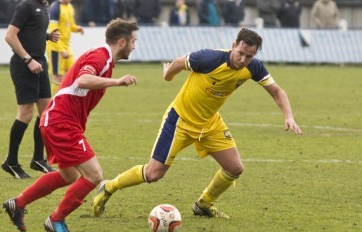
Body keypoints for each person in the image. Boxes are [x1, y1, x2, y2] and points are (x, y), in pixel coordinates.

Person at [91, 28, 303, 219]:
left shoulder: (253, 67)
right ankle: (109, 186)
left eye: (249, 56)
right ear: (233, 46)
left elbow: (277, 91)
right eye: (240, 53)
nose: (243, 59)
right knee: (154, 173)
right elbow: (177, 63)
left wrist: (289, 116)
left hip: (210, 124)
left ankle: (203, 204)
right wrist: (168, 76)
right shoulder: (209, 58)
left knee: (235, 168)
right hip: (180, 120)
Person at [2, 18, 139, 232]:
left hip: (59, 120)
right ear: (122, 42)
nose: (135, 46)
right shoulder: (100, 56)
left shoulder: (105, 59)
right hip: (60, 122)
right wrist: (117, 82)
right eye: (133, 41)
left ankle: (18, 203)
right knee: (94, 175)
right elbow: (83, 80)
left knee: (68, 176)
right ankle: (56, 220)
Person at [2, 0, 60, 179]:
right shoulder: (26, 5)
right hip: (24, 65)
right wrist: (28, 60)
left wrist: (47, 36)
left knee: (45, 113)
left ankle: (38, 159)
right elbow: (10, 36)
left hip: (40, 63)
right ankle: (11, 162)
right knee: (25, 114)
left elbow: (31, 31)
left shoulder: (45, 6)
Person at [46, 0, 84, 95]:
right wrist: (61, 50)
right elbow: (53, 32)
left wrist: (77, 28)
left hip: (66, 48)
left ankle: (69, 99)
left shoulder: (70, 7)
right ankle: (53, 102)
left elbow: (70, 25)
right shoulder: (55, 8)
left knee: (74, 72)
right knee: (58, 77)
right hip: (56, 48)